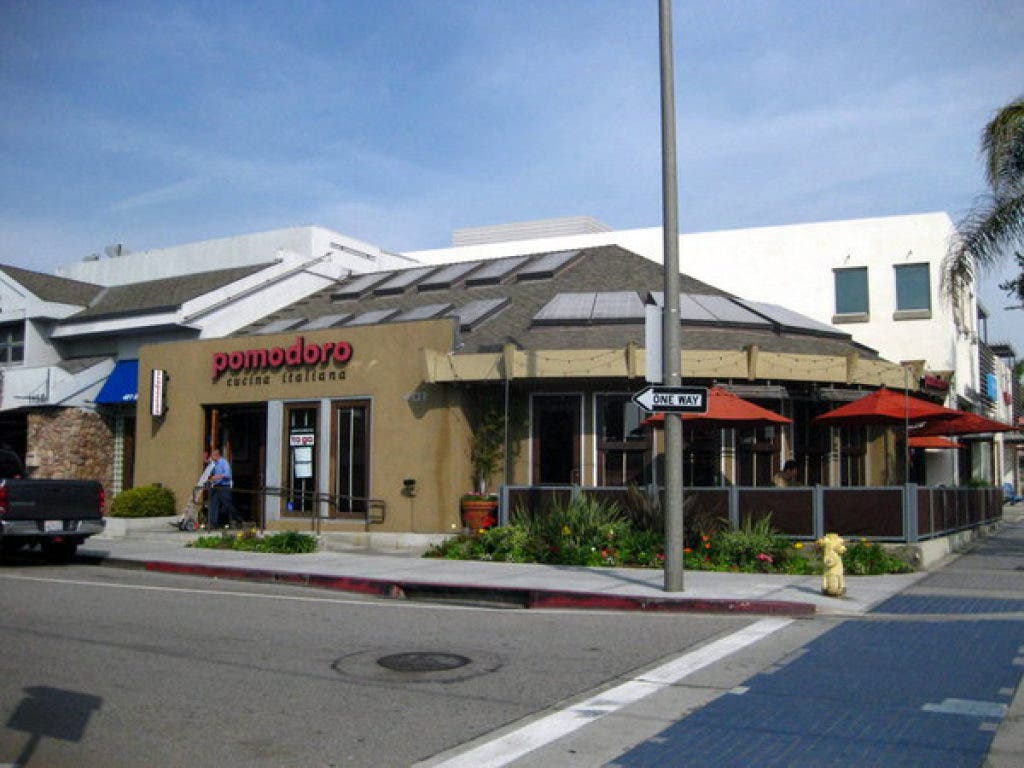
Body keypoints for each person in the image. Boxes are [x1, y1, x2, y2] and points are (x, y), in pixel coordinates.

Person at [207, 447, 238, 529]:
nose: (211, 457)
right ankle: (213, 524)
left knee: (226, 505)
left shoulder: (224, 463)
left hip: (224, 486)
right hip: (216, 486)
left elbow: (228, 475)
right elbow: (211, 474)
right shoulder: (214, 464)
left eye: (212, 455)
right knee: (213, 504)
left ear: (216, 455)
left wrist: (216, 477)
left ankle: (236, 520)